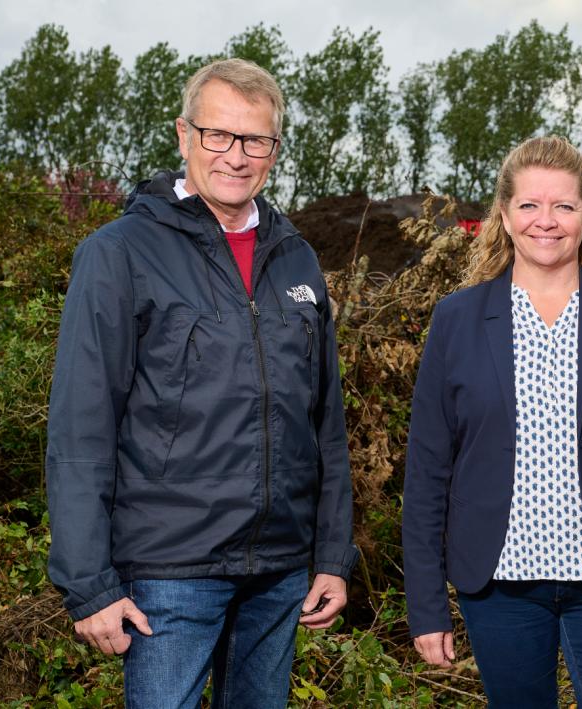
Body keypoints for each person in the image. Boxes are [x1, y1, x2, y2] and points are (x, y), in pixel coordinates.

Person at [45, 58, 358, 708]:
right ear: (184, 134)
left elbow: (324, 423)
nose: (236, 156)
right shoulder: (118, 254)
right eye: (219, 134)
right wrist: (89, 582)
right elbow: (80, 427)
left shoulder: (296, 257)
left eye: (256, 140)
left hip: (277, 570)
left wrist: (331, 554)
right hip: (171, 570)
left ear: (274, 149)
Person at [402, 136, 582, 707]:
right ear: (505, 217)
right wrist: (426, 604)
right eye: (530, 206)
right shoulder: (457, 320)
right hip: (500, 591)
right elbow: (428, 472)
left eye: (563, 206)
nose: (547, 221)